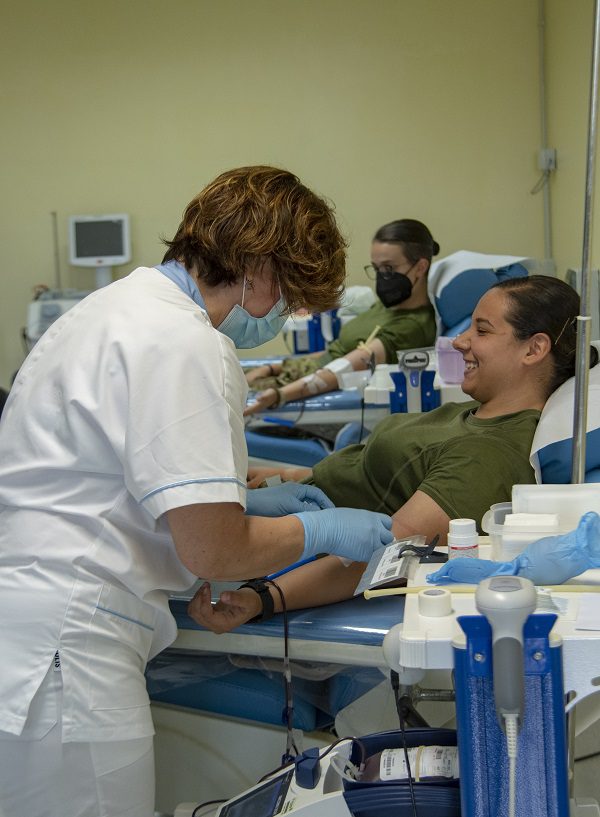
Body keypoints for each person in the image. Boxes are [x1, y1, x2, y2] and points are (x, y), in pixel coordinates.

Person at [0, 166, 394, 817]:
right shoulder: (186, 341)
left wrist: (246, 502)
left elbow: (119, 472)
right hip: (70, 650)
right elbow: (214, 551)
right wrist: (320, 532)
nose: (283, 316)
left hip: (34, 628)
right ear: (258, 268)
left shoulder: (112, 310)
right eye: (289, 297)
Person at [190, 274, 599, 632]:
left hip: (294, 551)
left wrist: (263, 597)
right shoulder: (476, 412)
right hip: (297, 504)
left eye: (482, 330)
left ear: (534, 349)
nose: (460, 341)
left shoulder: (489, 454)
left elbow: (389, 556)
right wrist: (281, 479)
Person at [244, 218, 439, 415]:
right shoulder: (387, 307)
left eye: (388, 268)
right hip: (297, 371)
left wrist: (279, 395)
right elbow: (335, 351)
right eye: (376, 268)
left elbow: (343, 370)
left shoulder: (410, 326)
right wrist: (270, 369)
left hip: (301, 385)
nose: (381, 277)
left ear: (420, 267)